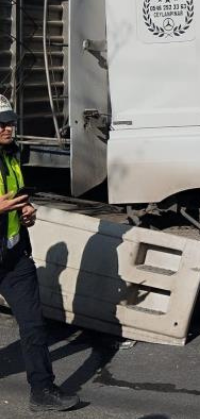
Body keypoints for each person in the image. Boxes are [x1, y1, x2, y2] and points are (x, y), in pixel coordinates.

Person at [0, 96, 79, 412]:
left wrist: (25, 211)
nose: (8, 128)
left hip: (14, 256)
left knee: (33, 325)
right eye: (1, 124)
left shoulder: (10, 155)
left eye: (10, 121)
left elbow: (16, 197)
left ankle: (42, 390)